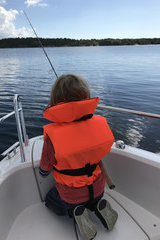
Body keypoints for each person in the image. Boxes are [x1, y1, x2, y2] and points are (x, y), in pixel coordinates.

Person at [39, 74, 118, 240]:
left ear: (55, 100)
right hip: (98, 187)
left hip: (71, 194)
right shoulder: (99, 123)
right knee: (92, 196)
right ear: (86, 97)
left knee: (51, 199)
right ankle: (97, 205)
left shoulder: (52, 136)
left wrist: (43, 173)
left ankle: (75, 212)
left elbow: (46, 166)